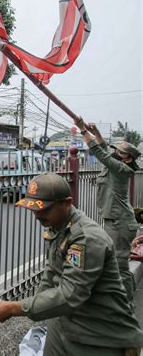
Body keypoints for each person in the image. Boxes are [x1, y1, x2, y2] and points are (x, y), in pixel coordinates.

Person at [0, 173, 143, 356]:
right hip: (64, 324)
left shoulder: (87, 238)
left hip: (99, 334)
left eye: (44, 209)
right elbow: (51, 273)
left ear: (67, 203)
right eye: (33, 209)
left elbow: (70, 295)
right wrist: (36, 305)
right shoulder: (58, 227)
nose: (37, 215)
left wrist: (15, 308)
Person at [75, 118, 141, 302]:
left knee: (120, 267)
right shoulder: (115, 165)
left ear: (127, 158)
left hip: (120, 224)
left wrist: (82, 130)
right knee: (111, 263)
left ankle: (126, 304)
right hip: (116, 222)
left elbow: (100, 153)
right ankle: (115, 300)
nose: (115, 153)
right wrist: (95, 132)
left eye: (120, 152)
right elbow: (104, 149)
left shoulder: (120, 169)